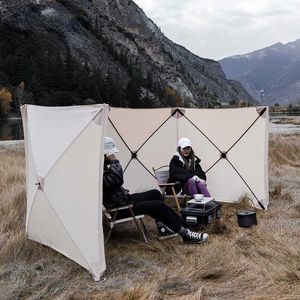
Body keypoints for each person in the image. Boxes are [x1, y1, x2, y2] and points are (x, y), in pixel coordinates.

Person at [102, 137, 208, 244]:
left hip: (122, 200)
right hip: (120, 208)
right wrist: (114, 161)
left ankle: (164, 229)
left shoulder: (102, 166)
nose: (113, 156)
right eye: (111, 154)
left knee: (155, 193)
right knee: (158, 206)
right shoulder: (99, 170)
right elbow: (117, 180)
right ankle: (186, 234)